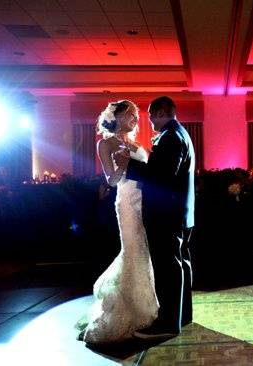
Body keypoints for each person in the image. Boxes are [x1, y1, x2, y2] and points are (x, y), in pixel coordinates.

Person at [76, 100, 159, 344]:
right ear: (118, 116)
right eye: (131, 114)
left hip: (146, 202)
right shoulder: (106, 143)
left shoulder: (135, 143)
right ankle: (127, 309)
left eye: (136, 115)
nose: (136, 118)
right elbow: (111, 181)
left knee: (146, 252)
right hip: (127, 203)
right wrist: (122, 167)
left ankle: (147, 305)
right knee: (132, 249)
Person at [116, 96, 195, 338]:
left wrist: (129, 165)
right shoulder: (180, 133)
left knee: (168, 266)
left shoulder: (171, 136)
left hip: (166, 213)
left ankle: (168, 323)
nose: (149, 121)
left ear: (161, 112)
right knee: (180, 262)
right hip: (179, 211)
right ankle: (183, 315)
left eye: (151, 116)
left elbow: (162, 176)